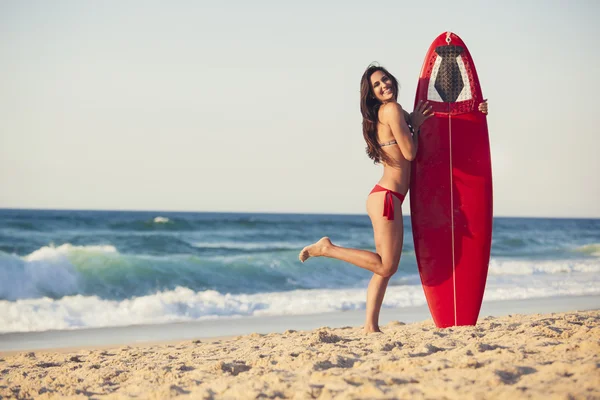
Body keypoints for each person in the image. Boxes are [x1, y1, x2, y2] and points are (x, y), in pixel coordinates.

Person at [299, 64, 488, 334]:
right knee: (387, 265)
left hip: (385, 197)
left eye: (385, 79)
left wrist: (476, 111)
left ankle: (370, 326)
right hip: (387, 198)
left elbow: (437, 126)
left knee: (383, 268)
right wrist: (418, 126)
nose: (384, 85)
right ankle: (327, 248)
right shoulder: (391, 110)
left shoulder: (389, 114)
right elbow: (410, 153)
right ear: (372, 95)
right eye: (377, 85)